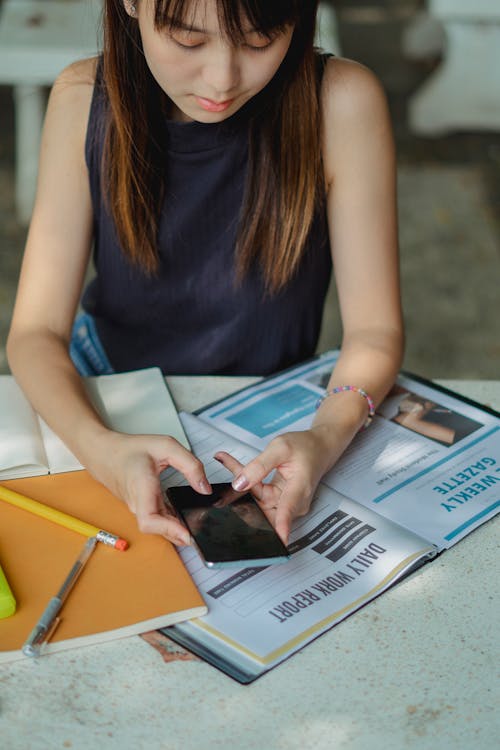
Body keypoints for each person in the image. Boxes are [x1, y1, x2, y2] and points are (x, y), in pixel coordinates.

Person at [7, 0, 403, 547]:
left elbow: (374, 332)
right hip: (99, 391)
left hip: (269, 406)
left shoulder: (340, 102)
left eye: (261, 39)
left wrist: (325, 436)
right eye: (188, 40)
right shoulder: (83, 99)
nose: (222, 78)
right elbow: (34, 334)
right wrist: (100, 448)